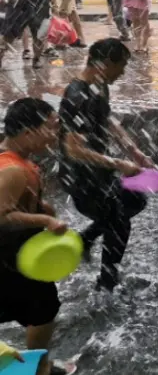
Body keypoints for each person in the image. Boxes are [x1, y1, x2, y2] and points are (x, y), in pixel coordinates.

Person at [58, 39, 154, 291]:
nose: (122, 73)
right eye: (120, 66)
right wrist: (118, 163)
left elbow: (108, 120)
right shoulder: (77, 96)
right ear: (105, 63)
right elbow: (73, 149)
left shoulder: (100, 86)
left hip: (99, 172)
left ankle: (86, 239)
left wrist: (133, 150)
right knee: (118, 219)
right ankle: (107, 282)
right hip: (80, 177)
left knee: (135, 199)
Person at [0, 98, 72, 375]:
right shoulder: (14, 171)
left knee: (34, 307)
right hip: (10, 254)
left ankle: (34, 365)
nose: (55, 135)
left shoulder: (16, 161)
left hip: (15, 253)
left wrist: (41, 207)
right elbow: (2, 216)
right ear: (28, 132)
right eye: (51, 128)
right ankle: (38, 368)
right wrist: (44, 219)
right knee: (43, 310)